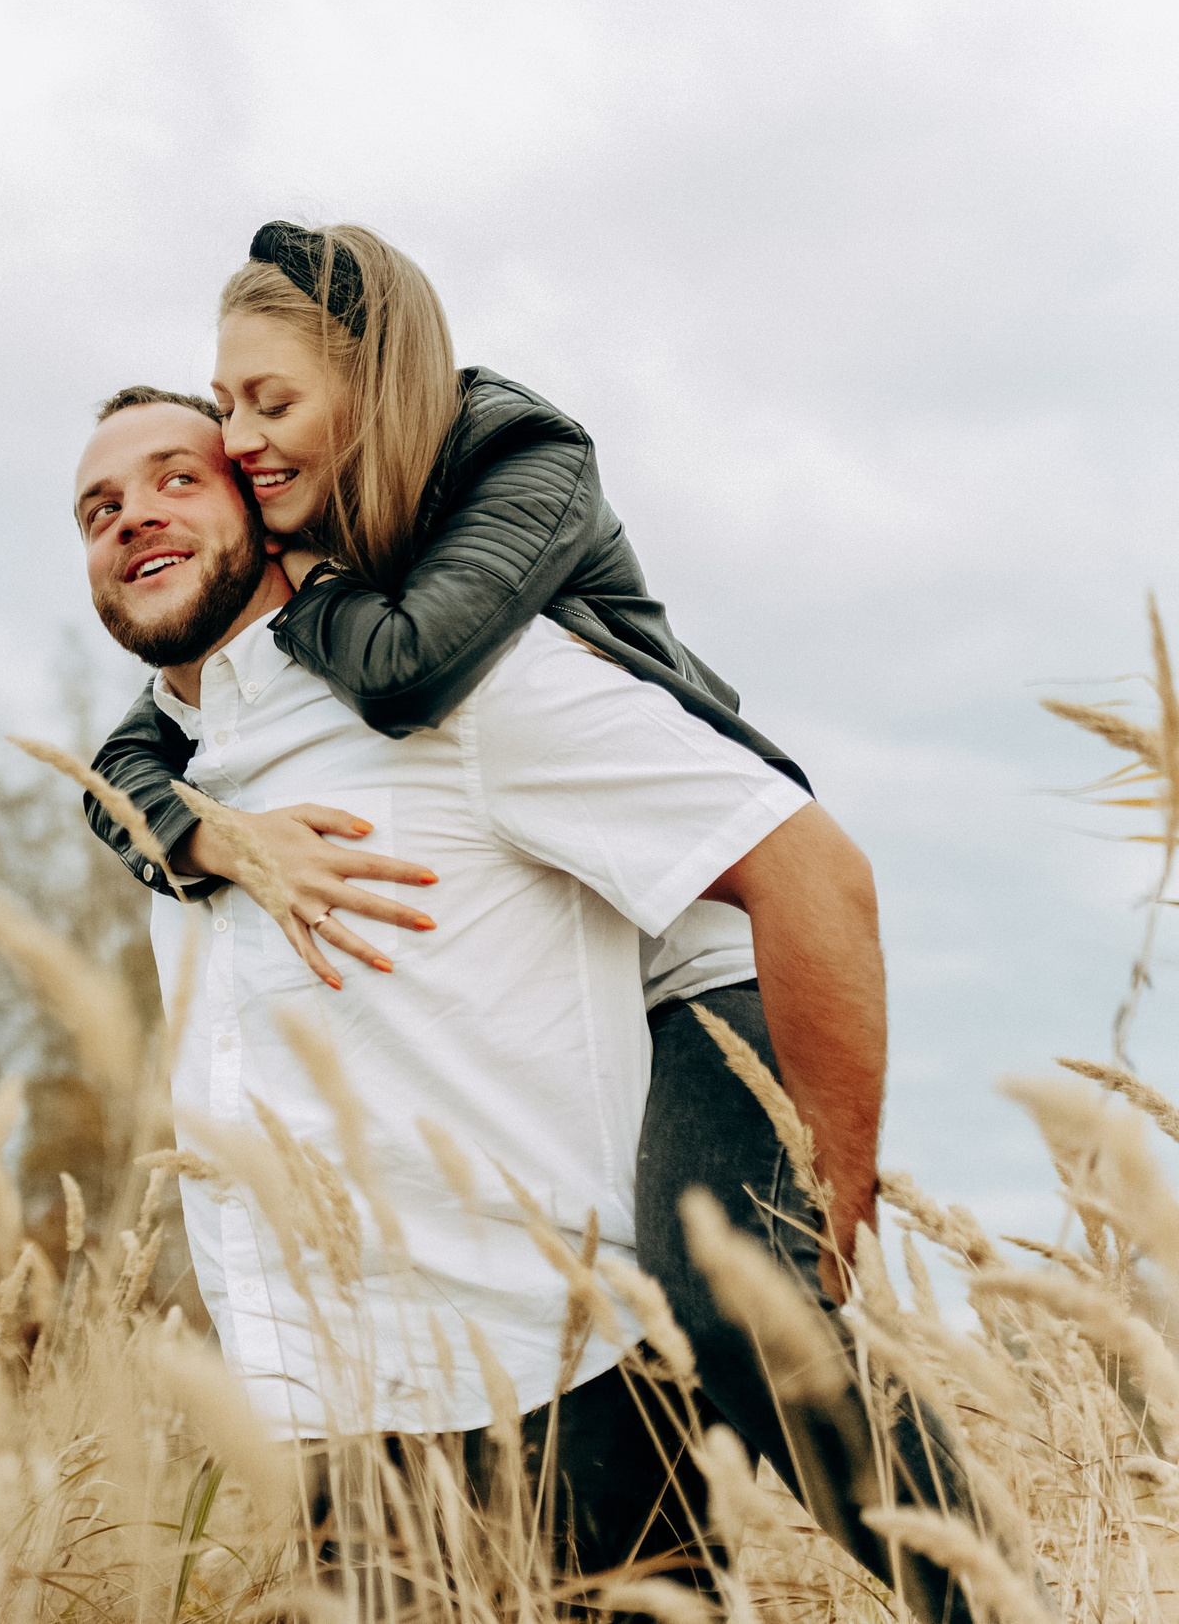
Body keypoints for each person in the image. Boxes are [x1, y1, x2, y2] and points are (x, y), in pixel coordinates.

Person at [71, 368, 1008, 1617]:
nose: (131, 514)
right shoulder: (179, 785)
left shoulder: (455, 680)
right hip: (342, 1430)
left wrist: (830, 1187)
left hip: (560, 1399)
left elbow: (811, 871)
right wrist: (208, 835)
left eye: (176, 478)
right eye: (96, 509)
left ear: (267, 492)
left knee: (744, 1312)